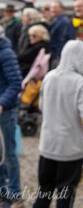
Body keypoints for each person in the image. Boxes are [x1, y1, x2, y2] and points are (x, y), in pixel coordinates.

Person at [33, 40, 83, 208]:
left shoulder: (49, 76)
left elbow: (41, 106)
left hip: (48, 145)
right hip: (70, 147)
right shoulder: (80, 82)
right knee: (65, 195)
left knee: (44, 191)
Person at [0, 26, 22, 207]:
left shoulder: (6, 53)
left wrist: (2, 103)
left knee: (8, 153)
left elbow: (15, 83)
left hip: (5, 111)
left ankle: (14, 191)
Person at [49, 0, 74, 68]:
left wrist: (58, 55)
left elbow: (62, 40)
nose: (53, 10)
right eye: (51, 8)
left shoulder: (64, 22)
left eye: (55, 8)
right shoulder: (55, 20)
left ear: (61, 9)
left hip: (58, 55)